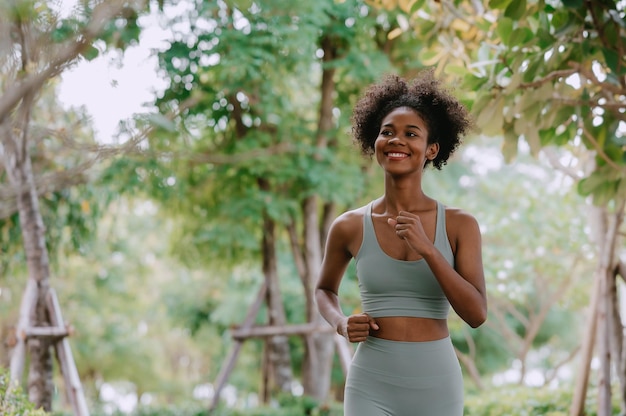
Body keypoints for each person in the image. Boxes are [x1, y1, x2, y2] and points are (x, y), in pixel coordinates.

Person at [315, 69, 487, 416]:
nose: (396, 140)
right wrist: (340, 322)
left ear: (431, 149)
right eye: (387, 132)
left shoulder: (459, 224)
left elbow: (476, 314)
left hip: (436, 383)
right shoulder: (349, 226)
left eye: (411, 133)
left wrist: (429, 249)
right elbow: (324, 290)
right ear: (374, 143)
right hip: (370, 382)